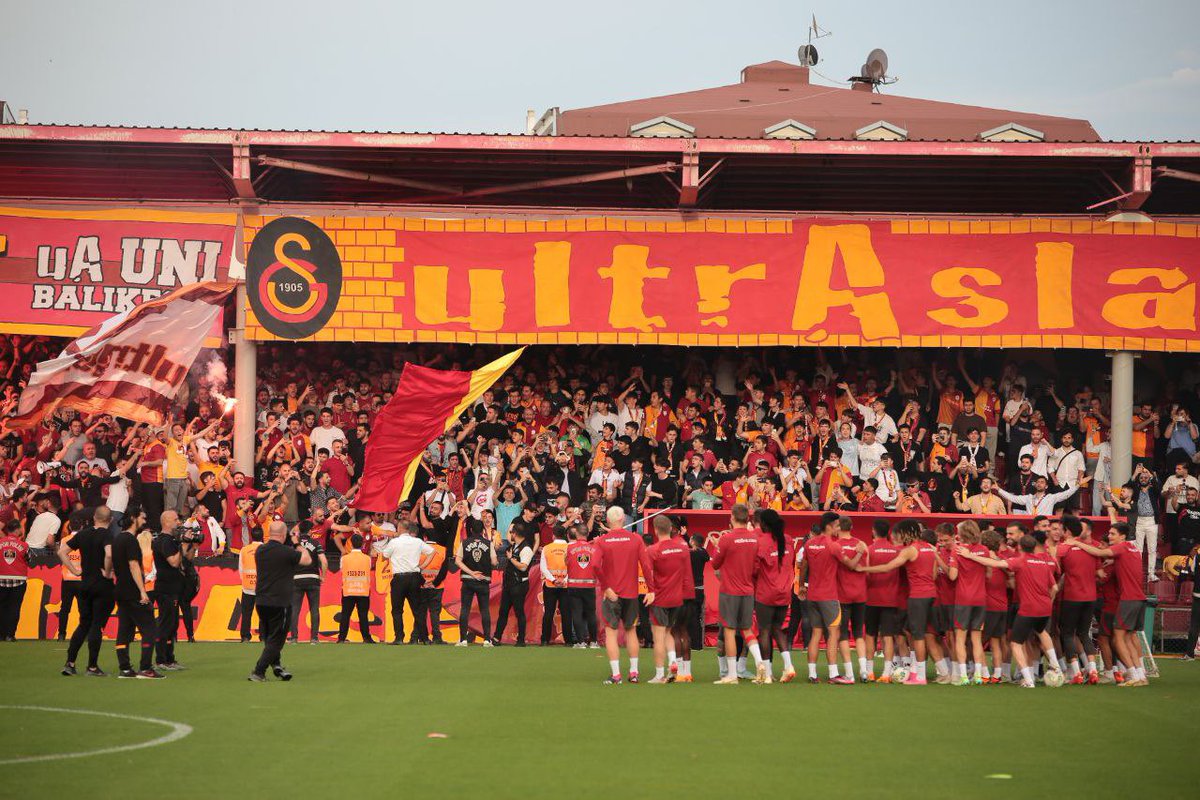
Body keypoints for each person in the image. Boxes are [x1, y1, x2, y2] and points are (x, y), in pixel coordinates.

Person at [955, 533, 1064, 689]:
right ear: (1034, 547)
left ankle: (1029, 680)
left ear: (1020, 547)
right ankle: (1055, 666)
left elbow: (994, 564)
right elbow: (1054, 587)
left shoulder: (1020, 561)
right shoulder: (1044, 563)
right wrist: (1048, 601)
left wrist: (969, 555)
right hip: (1045, 608)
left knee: (1015, 644)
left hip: (1028, 609)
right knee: (1042, 632)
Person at [858, 518, 947, 685]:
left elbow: (888, 567)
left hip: (917, 596)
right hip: (932, 595)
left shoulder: (910, 550)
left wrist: (864, 568)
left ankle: (919, 676)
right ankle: (940, 672)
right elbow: (934, 574)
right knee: (926, 635)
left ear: (906, 533)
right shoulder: (930, 548)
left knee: (917, 636)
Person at [1064, 522, 1150, 687]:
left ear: (1123, 536)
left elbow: (1098, 551)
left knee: (1117, 639)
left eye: (1112, 534)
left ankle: (1132, 674)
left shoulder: (1122, 547)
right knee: (1128, 638)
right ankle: (1140, 675)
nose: (1109, 537)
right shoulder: (1134, 550)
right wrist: (1112, 562)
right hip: (1139, 599)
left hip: (1128, 600)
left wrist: (1076, 543)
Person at [248, 520, 315, 681]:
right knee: (277, 639)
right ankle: (259, 671)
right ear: (284, 534)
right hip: (280, 601)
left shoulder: (260, 551)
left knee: (270, 636)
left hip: (262, 600)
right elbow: (307, 560)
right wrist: (297, 543)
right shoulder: (286, 551)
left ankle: (276, 665)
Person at [710, 503, 766, 684]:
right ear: (747, 519)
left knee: (729, 630)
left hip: (730, 591)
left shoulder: (727, 538)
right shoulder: (754, 539)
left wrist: (717, 548)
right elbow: (757, 566)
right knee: (747, 630)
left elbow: (715, 564)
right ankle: (759, 662)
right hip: (748, 590)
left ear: (732, 518)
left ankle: (732, 675)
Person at [594, 505, 651, 684]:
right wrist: (652, 589)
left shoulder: (602, 541)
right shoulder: (636, 539)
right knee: (631, 631)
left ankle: (616, 674)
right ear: (623, 520)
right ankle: (634, 673)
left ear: (608, 521)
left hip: (612, 594)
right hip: (631, 593)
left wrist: (606, 587)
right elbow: (647, 565)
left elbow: (595, 565)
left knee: (611, 633)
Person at [60, 506, 115, 677]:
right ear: (111, 520)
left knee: (83, 623)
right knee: (96, 625)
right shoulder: (107, 535)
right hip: (102, 586)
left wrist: (74, 571)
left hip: (84, 584)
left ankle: (70, 663)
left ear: (94, 517)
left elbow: (62, 551)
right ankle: (92, 666)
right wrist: (107, 571)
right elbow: (109, 554)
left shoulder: (83, 534)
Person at [798, 511, 851, 684]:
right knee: (833, 634)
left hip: (812, 594)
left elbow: (803, 566)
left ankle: (812, 674)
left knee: (816, 633)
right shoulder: (833, 545)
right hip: (828, 596)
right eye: (837, 525)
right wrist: (858, 553)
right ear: (829, 526)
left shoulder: (810, 544)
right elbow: (850, 565)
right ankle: (833, 674)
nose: (838, 529)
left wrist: (801, 586)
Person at [110, 512, 161, 679]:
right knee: (149, 629)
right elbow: (133, 565)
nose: (145, 521)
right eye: (143, 517)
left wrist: (107, 572)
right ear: (133, 518)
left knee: (124, 630)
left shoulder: (117, 539)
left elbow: (109, 558)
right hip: (133, 591)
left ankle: (125, 668)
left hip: (120, 590)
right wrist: (142, 591)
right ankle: (145, 668)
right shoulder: (131, 540)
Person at [643, 514, 689, 683]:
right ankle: (673, 662)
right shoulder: (682, 548)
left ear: (655, 530)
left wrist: (650, 591)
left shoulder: (652, 550)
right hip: (676, 597)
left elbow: (648, 573)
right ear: (670, 528)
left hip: (660, 597)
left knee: (658, 637)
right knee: (669, 632)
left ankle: (659, 673)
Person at [752, 509, 796, 683]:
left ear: (763, 524)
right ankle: (788, 666)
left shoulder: (761, 542)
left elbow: (754, 569)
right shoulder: (789, 540)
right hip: (784, 592)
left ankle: (767, 674)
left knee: (764, 631)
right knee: (778, 629)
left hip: (766, 592)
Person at [374, 519, 435, 645]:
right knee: (417, 610)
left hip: (399, 578)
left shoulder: (395, 542)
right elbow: (432, 552)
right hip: (414, 576)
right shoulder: (417, 541)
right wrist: (422, 566)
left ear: (400, 529)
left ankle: (399, 638)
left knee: (397, 610)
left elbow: (385, 556)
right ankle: (425, 638)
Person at [150, 510, 194, 671]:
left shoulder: (171, 540)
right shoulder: (164, 541)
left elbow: (187, 559)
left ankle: (169, 658)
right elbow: (174, 562)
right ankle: (161, 660)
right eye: (176, 519)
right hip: (165, 588)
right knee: (166, 624)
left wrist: (192, 544)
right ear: (167, 522)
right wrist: (183, 543)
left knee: (172, 624)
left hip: (174, 588)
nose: (179, 522)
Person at [947, 520, 988, 686]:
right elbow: (989, 572)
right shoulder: (984, 550)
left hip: (963, 599)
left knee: (960, 638)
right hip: (980, 598)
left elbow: (952, 576)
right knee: (977, 639)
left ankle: (963, 675)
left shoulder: (957, 551)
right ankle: (978, 675)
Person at [862, 519, 902, 683]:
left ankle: (870, 672)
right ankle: (886, 673)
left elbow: (866, 575)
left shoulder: (869, 550)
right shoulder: (896, 551)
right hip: (891, 599)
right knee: (887, 636)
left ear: (873, 531)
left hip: (871, 598)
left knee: (870, 635)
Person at [455, 513, 497, 646]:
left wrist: (471, 573)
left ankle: (462, 640)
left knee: (465, 609)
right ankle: (487, 640)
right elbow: (495, 562)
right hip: (483, 580)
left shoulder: (465, 542)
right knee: (484, 609)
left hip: (467, 580)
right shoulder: (488, 543)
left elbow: (457, 561)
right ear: (483, 530)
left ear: (471, 530)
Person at [493, 526, 533, 645]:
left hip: (519, 584)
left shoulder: (526, 549)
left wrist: (511, 559)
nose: (509, 535)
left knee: (519, 611)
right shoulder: (513, 546)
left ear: (515, 534)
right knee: (503, 611)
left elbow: (523, 566)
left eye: (511, 532)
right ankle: (496, 638)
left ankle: (521, 640)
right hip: (509, 583)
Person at [289, 522, 328, 643]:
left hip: (297, 579)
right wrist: (323, 576)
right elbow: (324, 561)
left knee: (295, 609)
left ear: (299, 531)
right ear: (310, 531)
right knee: (314, 609)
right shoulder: (316, 543)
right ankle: (314, 638)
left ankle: (294, 637)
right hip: (313, 578)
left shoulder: (294, 545)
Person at [564, 523, 599, 649]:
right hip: (589, 585)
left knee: (576, 613)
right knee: (591, 614)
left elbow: (566, 563)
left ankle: (581, 642)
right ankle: (594, 641)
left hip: (574, 584)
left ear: (577, 534)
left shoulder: (569, 548)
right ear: (587, 533)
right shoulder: (595, 548)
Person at [337, 533, 375, 643]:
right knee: (363, 616)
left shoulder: (344, 559)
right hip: (363, 591)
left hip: (348, 591)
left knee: (345, 615)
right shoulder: (367, 559)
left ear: (351, 543)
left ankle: (341, 638)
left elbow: (341, 570)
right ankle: (367, 638)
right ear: (362, 543)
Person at [417, 527, 449, 644]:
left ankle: (422, 637)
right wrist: (434, 583)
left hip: (421, 586)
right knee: (435, 612)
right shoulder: (443, 550)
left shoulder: (419, 550)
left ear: (425, 537)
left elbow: (415, 568)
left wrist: (423, 582)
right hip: (437, 586)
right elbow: (444, 570)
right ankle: (437, 637)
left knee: (422, 612)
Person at [539, 526, 569, 645]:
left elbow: (543, 567)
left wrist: (553, 579)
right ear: (565, 535)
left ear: (553, 535)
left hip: (550, 585)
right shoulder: (569, 547)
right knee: (566, 613)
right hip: (565, 585)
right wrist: (564, 580)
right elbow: (572, 567)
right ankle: (568, 640)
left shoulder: (547, 548)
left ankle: (544, 639)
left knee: (548, 613)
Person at [0, 519, 29, 641]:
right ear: (17, 529)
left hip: (1, 579)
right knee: (14, 608)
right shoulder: (24, 545)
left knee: (1, 607)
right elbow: (30, 561)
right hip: (19, 580)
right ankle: (10, 635)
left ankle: (1, 634)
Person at [238, 528, 263, 642]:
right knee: (264, 613)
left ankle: (245, 636)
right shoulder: (266, 549)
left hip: (247, 586)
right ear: (262, 536)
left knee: (246, 613)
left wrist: (244, 581)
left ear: (252, 536)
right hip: (263, 587)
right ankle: (263, 636)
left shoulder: (244, 550)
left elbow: (241, 568)